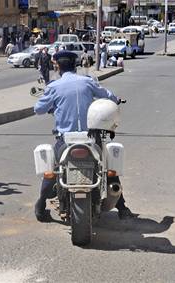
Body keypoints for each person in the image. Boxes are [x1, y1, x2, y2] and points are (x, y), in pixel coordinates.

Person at [33, 50, 138, 222]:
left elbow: (38, 109)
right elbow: (109, 97)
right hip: (91, 139)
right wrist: (117, 100)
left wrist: (51, 107)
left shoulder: (53, 87)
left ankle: (41, 205)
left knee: (52, 169)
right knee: (107, 167)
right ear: (76, 65)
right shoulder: (88, 82)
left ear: (57, 66)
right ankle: (122, 208)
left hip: (65, 139)